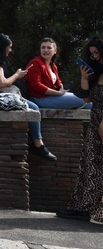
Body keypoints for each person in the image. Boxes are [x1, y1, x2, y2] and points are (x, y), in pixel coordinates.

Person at [0, 34, 57, 162]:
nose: (10, 50)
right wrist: (17, 75)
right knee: (33, 108)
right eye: (9, 47)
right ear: (3, 47)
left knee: (32, 107)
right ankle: (38, 145)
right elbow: (1, 84)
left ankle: (36, 142)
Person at [57, 37, 103, 224]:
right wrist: (84, 78)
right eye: (91, 54)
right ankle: (84, 208)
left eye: (97, 52)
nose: (94, 56)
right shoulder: (96, 71)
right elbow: (86, 99)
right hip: (95, 120)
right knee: (90, 165)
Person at [25, 37, 90, 109]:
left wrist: (61, 88)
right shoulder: (35, 63)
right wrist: (58, 93)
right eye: (43, 47)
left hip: (54, 96)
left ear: (55, 51)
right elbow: (36, 85)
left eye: (49, 48)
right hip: (39, 98)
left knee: (90, 102)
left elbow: (58, 81)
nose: (45, 50)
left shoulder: (52, 65)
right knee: (82, 99)